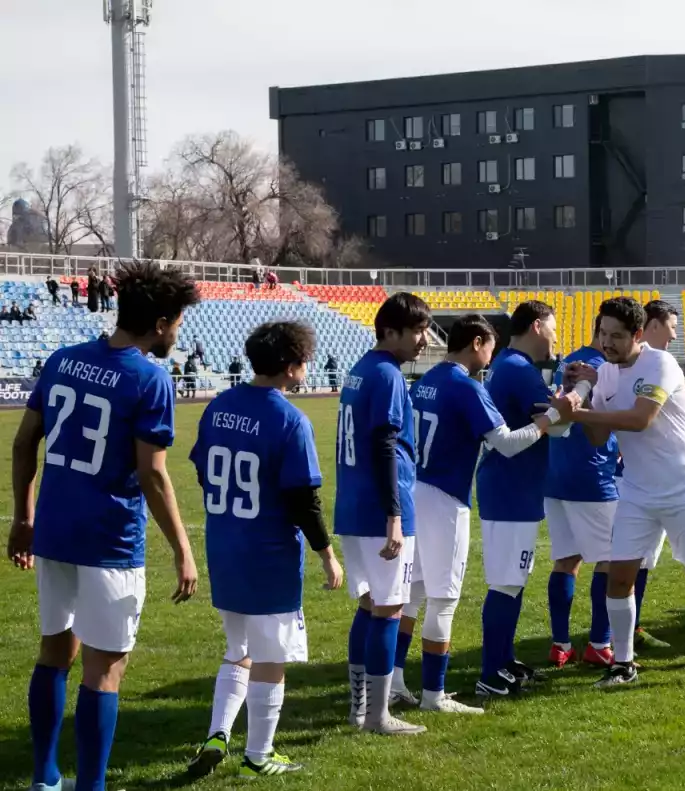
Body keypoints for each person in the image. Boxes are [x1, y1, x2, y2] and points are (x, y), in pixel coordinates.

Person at [9, 260, 200, 791]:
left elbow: (25, 443)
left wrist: (23, 518)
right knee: (104, 670)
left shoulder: (63, 360)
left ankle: (44, 778)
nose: (178, 331)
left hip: (54, 530)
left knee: (54, 652)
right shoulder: (149, 378)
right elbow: (153, 474)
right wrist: (183, 549)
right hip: (109, 539)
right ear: (162, 322)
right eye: (179, 321)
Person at [185, 321, 344, 779]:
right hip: (269, 553)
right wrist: (326, 553)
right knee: (272, 660)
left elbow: (201, 468)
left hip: (224, 545)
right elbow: (302, 500)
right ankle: (259, 755)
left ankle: (218, 732)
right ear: (292, 366)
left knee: (238, 649)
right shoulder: (290, 420)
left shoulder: (218, 406)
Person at [564, 296, 685, 688]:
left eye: (616, 336)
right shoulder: (606, 372)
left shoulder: (659, 363)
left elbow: (641, 419)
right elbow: (597, 436)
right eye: (602, 334)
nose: (606, 343)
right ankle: (623, 664)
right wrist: (585, 398)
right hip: (638, 492)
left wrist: (576, 411)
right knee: (619, 577)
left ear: (639, 334)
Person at [404, 315, 576, 711]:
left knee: (412, 592)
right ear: (478, 343)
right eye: (488, 347)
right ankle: (442, 691)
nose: (490, 356)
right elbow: (507, 444)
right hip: (451, 494)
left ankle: (397, 679)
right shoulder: (467, 384)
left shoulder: (425, 381)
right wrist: (552, 418)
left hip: (419, 487)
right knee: (449, 596)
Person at [335, 292, 431, 736]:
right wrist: (394, 515)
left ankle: (359, 708)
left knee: (369, 605)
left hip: (353, 507)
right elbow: (385, 444)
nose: (423, 340)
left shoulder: (359, 370)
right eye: (416, 331)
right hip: (382, 509)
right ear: (389, 331)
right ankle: (378, 715)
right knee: (389, 609)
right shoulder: (388, 375)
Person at [472, 300, 560, 696]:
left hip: (512, 487)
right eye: (553, 329)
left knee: (513, 580)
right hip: (511, 488)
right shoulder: (519, 370)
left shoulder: (513, 365)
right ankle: (491, 673)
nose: (555, 338)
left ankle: (503, 661)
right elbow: (558, 426)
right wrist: (576, 395)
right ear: (538, 326)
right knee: (507, 583)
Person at [544, 317, 619, 670]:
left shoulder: (568, 360)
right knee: (609, 560)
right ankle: (600, 643)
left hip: (556, 472)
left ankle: (560, 645)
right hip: (592, 474)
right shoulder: (602, 367)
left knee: (566, 559)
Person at [625, 299, 681, 649]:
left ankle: (630, 627)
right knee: (631, 558)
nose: (676, 335)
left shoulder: (659, 364)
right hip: (637, 479)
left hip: (658, 475)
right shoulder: (637, 364)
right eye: (673, 326)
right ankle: (620, 634)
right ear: (655, 326)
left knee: (642, 558)